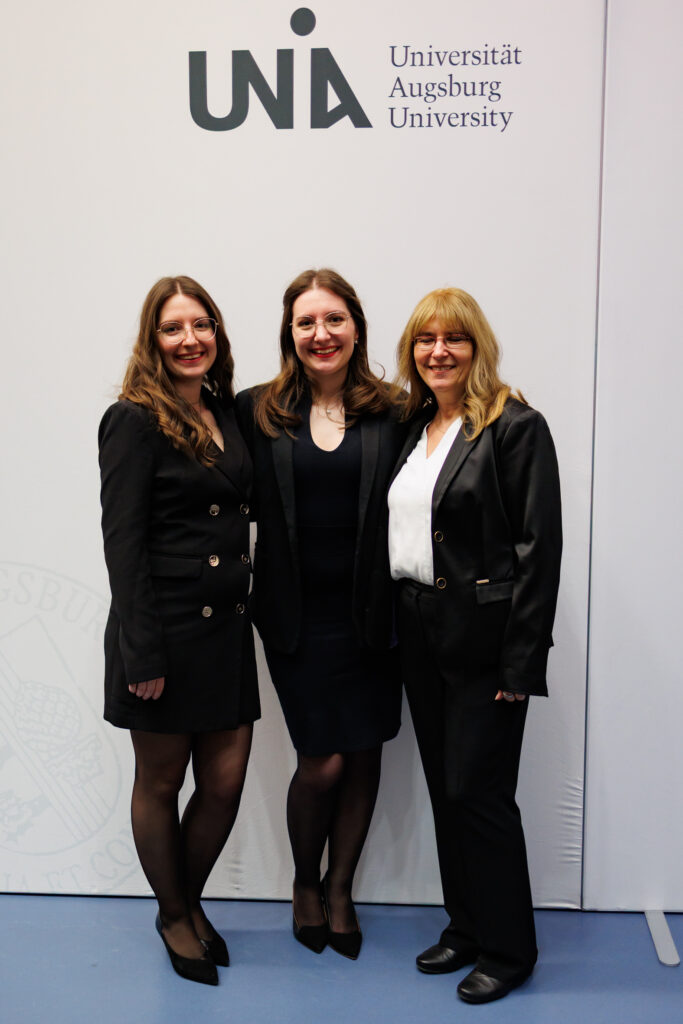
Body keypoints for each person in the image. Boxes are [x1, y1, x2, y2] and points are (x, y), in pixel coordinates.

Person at [388, 287, 562, 1004]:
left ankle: (509, 949)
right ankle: (465, 926)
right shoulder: (415, 426)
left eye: (453, 338)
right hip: (417, 632)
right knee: (444, 789)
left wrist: (521, 662)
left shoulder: (514, 426)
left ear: (476, 346)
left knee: (478, 793)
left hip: (484, 644)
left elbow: (537, 551)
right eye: (425, 339)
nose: (439, 351)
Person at [236, 269, 405, 960]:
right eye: (306, 322)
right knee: (323, 762)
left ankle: (341, 889)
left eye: (333, 319)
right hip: (296, 621)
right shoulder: (256, 410)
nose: (321, 333)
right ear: (289, 332)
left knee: (363, 756)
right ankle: (305, 883)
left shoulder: (395, 410)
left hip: (376, 617)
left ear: (355, 327)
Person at [98, 276, 259, 986]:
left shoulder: (226, 411)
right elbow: (123, 544)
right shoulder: (132, 419)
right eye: (173, 328)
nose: (190, 340)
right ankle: (173, 916)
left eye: (201, 325)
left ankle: (186, 900)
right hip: (163, 632)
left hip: (226, 632)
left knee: (223, 783)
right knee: (161, 782)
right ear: (153, 340)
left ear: (216, 333)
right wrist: (141, 652)